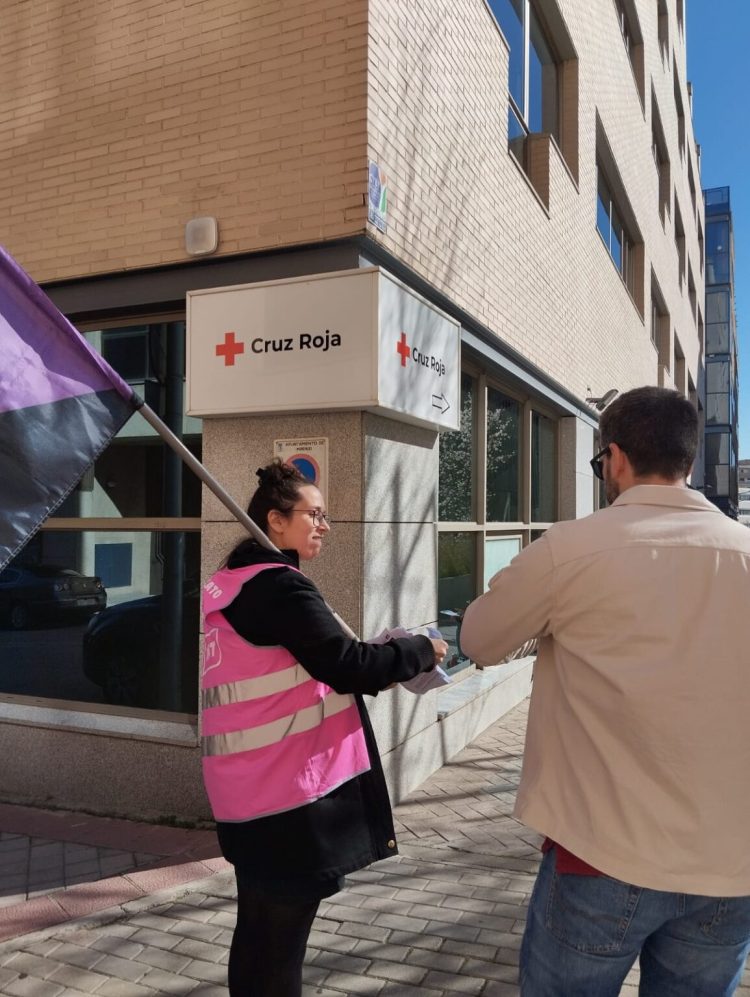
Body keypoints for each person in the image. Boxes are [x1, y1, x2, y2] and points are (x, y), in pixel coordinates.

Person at [460, 387, 750, 997]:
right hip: (733, 862)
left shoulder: (570, 550)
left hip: (601, 854)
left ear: (614, 458)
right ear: (688, 463)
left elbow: (479, 639)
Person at [200, 459, 447, 997]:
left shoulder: (231, 586)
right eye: (314, 514)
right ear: (275, 521)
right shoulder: (280, 589)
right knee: (279, 946)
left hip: (245, 792)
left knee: (259, 935)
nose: (325, 525)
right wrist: (419, 650)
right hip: (288, 798)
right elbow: (348, 666)